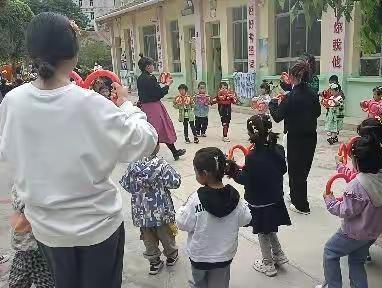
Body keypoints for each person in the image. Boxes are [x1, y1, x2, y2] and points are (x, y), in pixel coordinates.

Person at [0, 13, 158, 288]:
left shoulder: (13, 101)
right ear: (73, 53)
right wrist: (127, 106)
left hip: (48, 231)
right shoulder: (92, 104)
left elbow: (10, 151)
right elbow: (145, 142)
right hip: (98, 228)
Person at [319, 135, 382, 288]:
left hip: (354, 233)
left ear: (357, 161)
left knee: (330, 252)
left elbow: (345, 210)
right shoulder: (381, 176)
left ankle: (333, 286)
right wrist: (340, 166)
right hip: (372, 232)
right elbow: (355, 175)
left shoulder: (356, 186)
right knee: (356, 261)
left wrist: (329, 200)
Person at [176, 147, 252, 288]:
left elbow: (183, 224)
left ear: (204, 174)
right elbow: (246, 219)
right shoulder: (235, 199)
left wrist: (182, 209)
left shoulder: (195, 199)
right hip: (224, 257)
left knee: (198, 283)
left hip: (200, 258)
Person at [226, 114, 290, 277]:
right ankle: (279, 254)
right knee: (269, 229)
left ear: (251, 134)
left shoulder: (252, 157)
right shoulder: (278, 149)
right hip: (275, 198)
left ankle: (268, 263)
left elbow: (246, 179)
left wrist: (233, 170)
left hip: (259, 201)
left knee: (262, 231)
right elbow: (283, 169)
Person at [269, 60, 322, 215]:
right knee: (302, 170)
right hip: (311, 137)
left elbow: (278, 116)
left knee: (295, 172)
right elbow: (317, 113)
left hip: (295, 138)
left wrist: (273, 103)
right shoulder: (312, 93)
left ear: (293, 76)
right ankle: (295, 197)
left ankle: (302, 206)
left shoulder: (291, 97)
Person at [120, 144, 181, 275]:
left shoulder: (132, 166)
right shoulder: (161, 164)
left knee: (149, 239)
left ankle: (154, 263)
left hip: (142, 214)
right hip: (161, 212)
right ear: (156, 147)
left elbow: (126, 185)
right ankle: (171, 255)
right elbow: (175, 182)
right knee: (167, 235)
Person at [137, 55, 186, 160]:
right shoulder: (150, 78)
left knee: (152, 131)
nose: (153, 67)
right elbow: (158, 93)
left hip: (144, 107)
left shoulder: (140, 78)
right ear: (147, 67)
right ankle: (155, 155)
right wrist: (168, 85)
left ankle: (173, 152)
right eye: (151, 65)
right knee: (161, 129)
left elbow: (148, 91)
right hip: (154, 107)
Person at [9, 186, 55, 288]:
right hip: (25, 246)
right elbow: (17, 201)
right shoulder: (23, 182)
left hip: (41, 248)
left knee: (46, 283)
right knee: (16, 283)